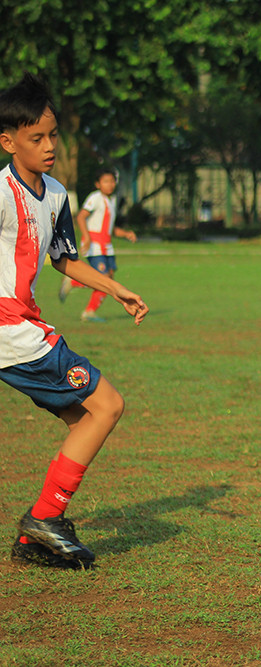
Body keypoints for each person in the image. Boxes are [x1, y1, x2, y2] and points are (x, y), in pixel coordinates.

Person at [0, 73, 149, 569]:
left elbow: (64, 259)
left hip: (22, 326)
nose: (49, 146)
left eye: (53, 135)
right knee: (107, 404)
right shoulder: (0, 192)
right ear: (8, 141)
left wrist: (114, 288)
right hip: (10, 328)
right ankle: (44, 520)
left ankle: (35, 533)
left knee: (86, 418)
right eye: (35, 138)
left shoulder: (58, 194)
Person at [58, 167, 137, 322]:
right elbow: (81, 217)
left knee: (109, 280)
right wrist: (86, 237)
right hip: (95, 245)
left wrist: (126, 234)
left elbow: (110, 228)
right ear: (98, 184)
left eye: (112, 181)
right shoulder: (95, 198)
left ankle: (89, 312)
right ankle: (72, 281)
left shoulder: (111, 201)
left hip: (107, 246)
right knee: (104, 279)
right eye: (106, 181)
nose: (110, 184)